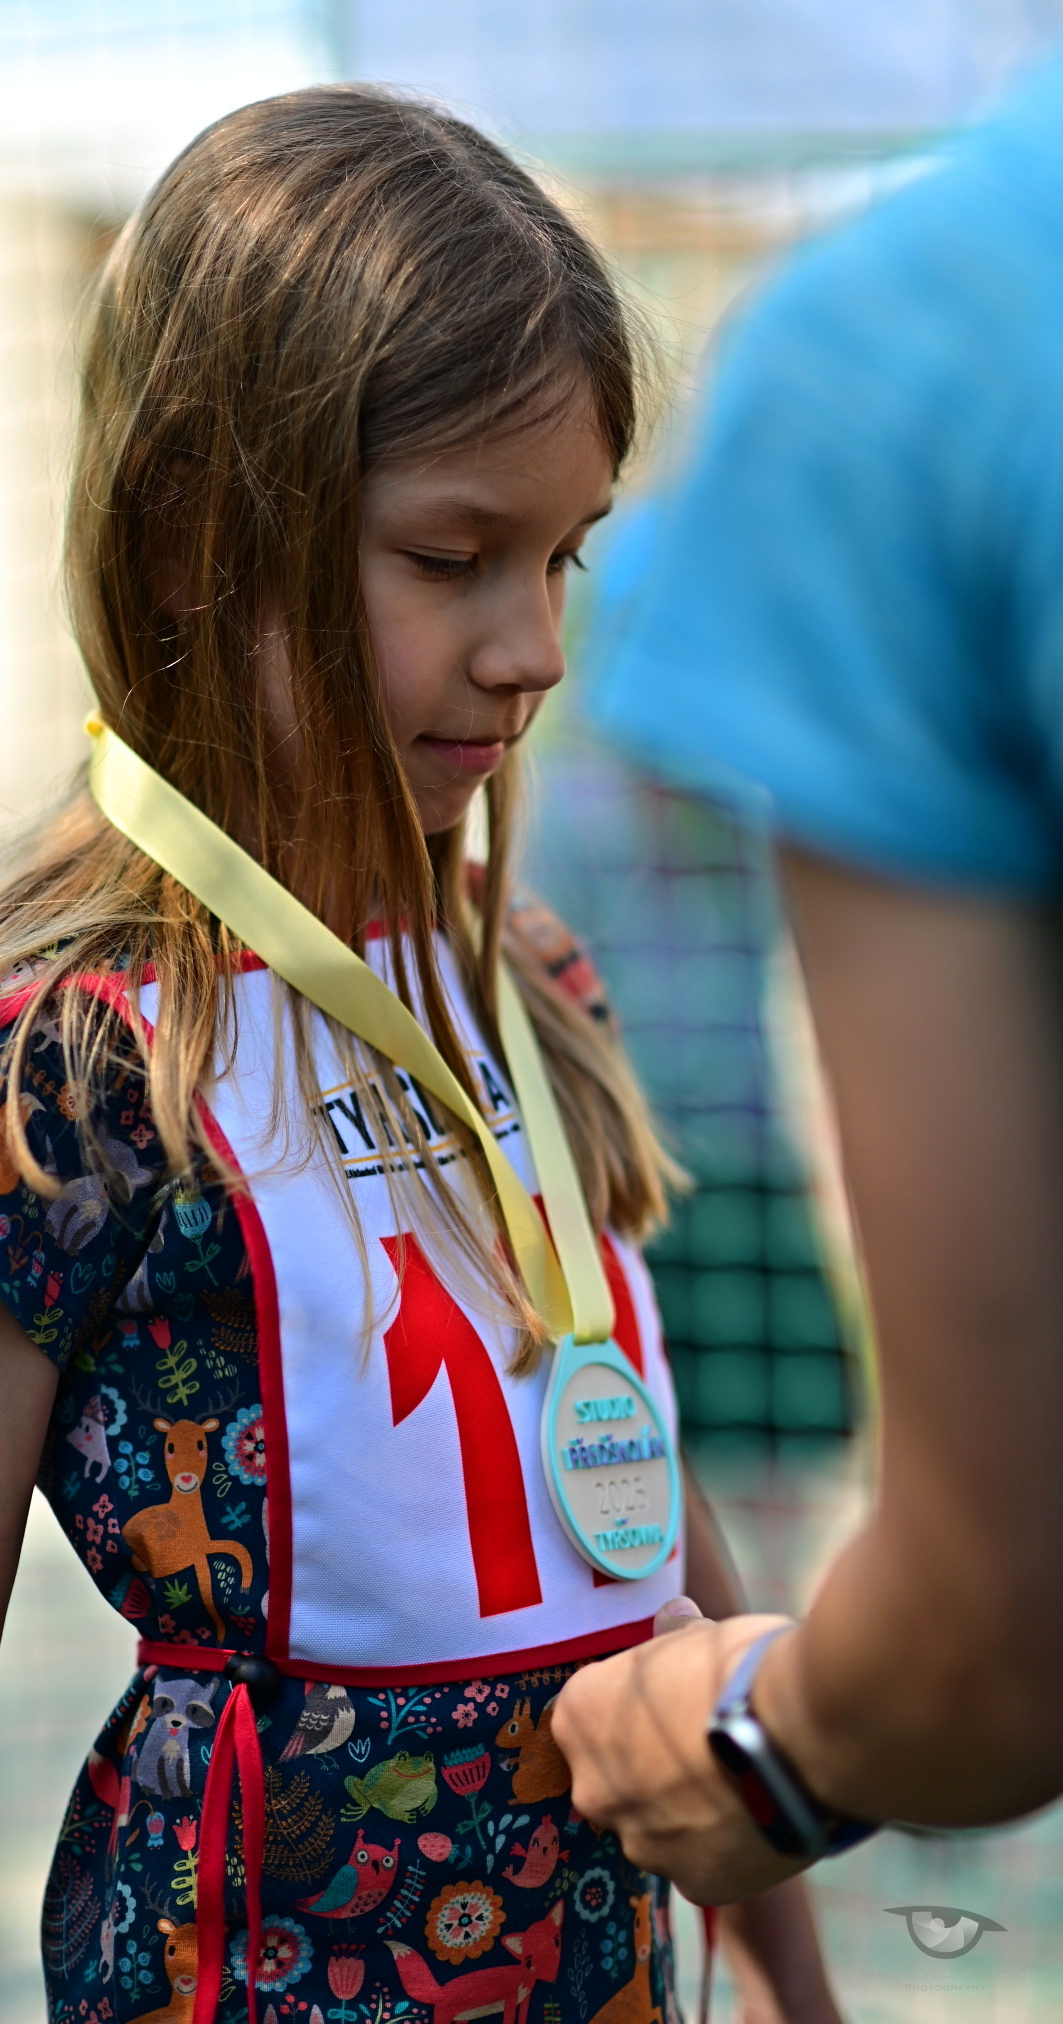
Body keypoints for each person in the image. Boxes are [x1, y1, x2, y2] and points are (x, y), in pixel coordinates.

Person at [0, 87, 840, 2024]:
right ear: (198, 528)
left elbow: (634, 1508)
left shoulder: (525, 985)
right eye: (451, 557)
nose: (533, 646)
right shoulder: (66, 1067)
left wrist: (791, 1978)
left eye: (564, 557)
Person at [553, 53, 1063, 1907]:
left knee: (775, 1460)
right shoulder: (580, 819)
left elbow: (1003, 1627)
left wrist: (781, 1738)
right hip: (659, 1160)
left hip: (747, 1157)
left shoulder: (904, 354)